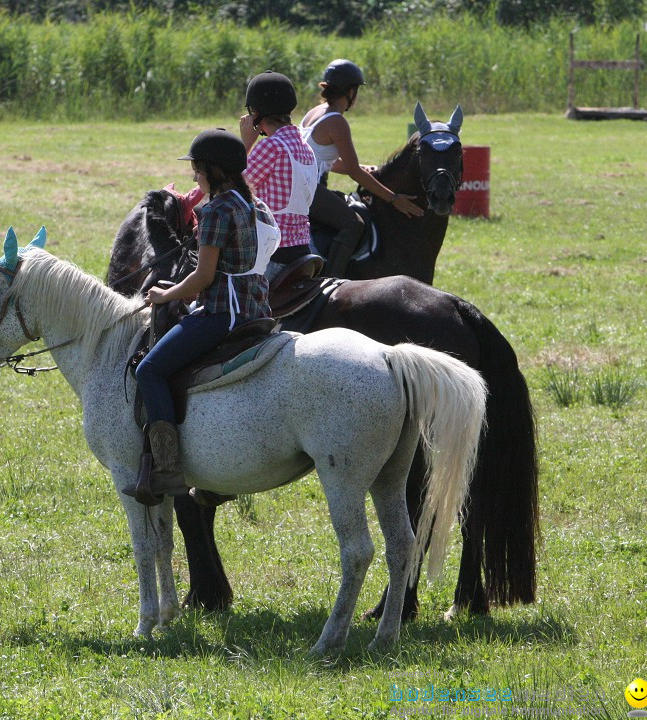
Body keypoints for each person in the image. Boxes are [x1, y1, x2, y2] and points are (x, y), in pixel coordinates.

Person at [124, 129, 277, 506]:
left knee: (149, 371)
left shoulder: (215, 210)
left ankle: (167, 469)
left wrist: (164, 293)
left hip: (222, 314)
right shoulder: (249, 203)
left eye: (196, 169)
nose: (194, 176)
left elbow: (203, 278)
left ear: (210, 169)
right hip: (256, 307)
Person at [299, 59, 424, 277]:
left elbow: (323, 161)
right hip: (309, 191)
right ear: (350, 91)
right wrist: (394, 198)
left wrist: (365, 168)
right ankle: (331, 281)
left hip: (301, 185)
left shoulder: (315, 112)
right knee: (353, 224)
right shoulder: (337, 121)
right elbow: (354, 171)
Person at [239, 71, 319, 271]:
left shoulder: (271, 146)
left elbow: (230, 190)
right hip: (301, 247)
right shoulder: (305, 148)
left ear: (256, 114)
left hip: (273, 251)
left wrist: (245, 144)